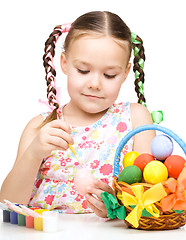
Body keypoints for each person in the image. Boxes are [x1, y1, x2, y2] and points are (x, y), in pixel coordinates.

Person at [0, 11, 155, 218]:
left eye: (109, 75)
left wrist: (119, 206)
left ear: (126, 73)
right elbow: (7, 205)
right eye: (83, 70)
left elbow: (152, 200)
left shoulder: (135, 119)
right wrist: (33, 153)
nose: (95, 83)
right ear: (64, 63)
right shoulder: (41, 127)